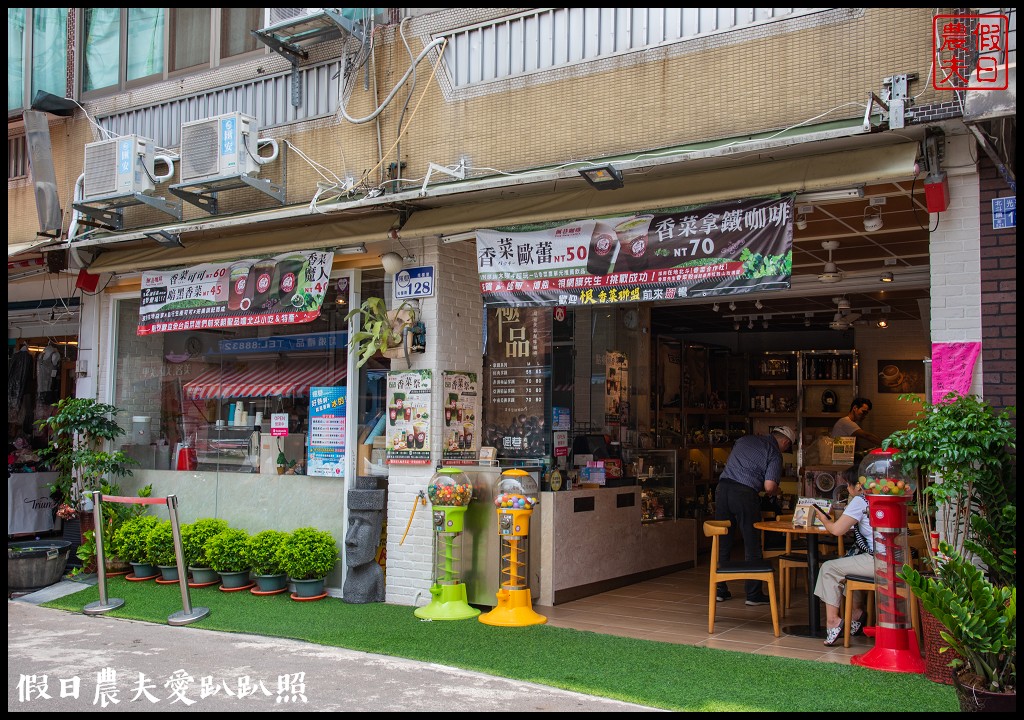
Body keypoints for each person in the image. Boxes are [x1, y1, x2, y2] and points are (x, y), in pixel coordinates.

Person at [714, 425, 795, 605]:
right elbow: (769, 487)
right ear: (785, 442)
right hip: (744, 494)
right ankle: (753, 594)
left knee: (723, 541)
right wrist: (777, 491)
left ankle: (720, 590)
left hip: (722, 489)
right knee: (752, 542)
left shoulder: (744, 440)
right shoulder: (774, 452)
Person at [812, 479, 874, 646]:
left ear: (859, 485)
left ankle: (833, 621)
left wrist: (824, 519)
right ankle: (856, 613)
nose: (847, 488)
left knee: (829, 568)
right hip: (897, 560)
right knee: (848, 564)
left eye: (849, 484)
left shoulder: (861, 500)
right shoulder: (881, 497)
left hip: (878, 561)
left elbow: (836, 530)